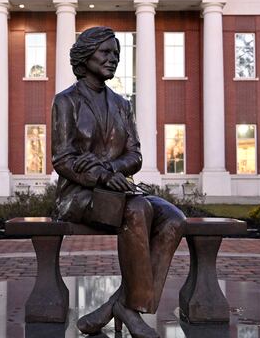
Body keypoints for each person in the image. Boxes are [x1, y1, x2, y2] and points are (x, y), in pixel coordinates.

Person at [52, 26, 185, 338]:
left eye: (117, 54)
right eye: (106, 52)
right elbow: (62, 159)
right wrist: (100, 175)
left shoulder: (123, 105)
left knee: (174, 220)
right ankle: (130, 308)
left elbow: (135, 154)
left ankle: (117, 304)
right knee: (137, 209)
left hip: (118, 190)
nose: (113, 59)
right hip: (78, 194)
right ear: (85, 57)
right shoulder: (66, 102)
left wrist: (108, 169)